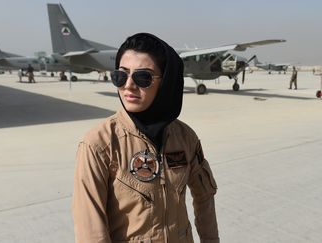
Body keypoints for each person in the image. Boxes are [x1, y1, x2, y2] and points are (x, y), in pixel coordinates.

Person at [73, 33, 219, 243]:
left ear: (166, 82)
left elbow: (205, 197)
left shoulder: (185, 138)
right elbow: (91, 232)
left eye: (143, 77)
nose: (129, 86)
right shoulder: (99, 144)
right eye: (121, 76)